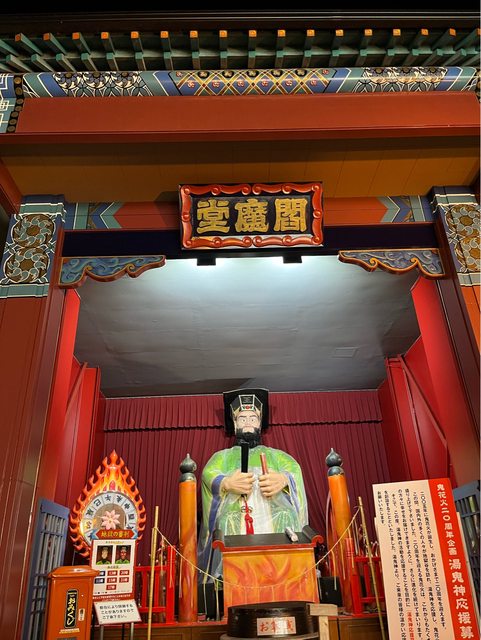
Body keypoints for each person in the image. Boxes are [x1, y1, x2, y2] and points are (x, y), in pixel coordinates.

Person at [198, 388, 308, 578]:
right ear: (235, 423)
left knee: (286, 516)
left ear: (259, 423)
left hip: (273, 516)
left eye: (253, 418)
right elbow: (209, 474)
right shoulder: (223, 457)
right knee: (226, 522)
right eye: (242, 418)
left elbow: (294, 470)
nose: (248, 422)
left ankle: (287, 576)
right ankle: (229, 578)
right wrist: (226, 483)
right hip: (238, 516)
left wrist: (283, 479)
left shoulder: (275, 455)